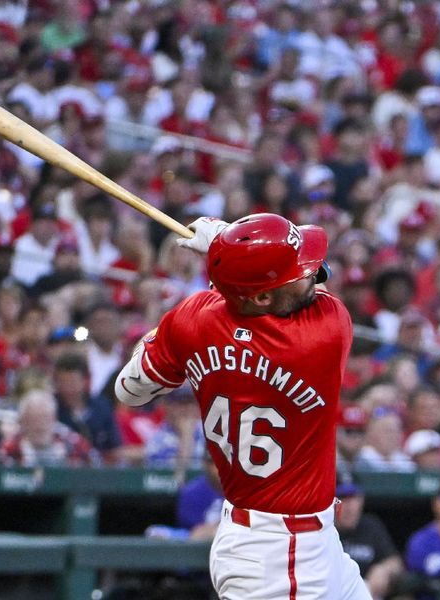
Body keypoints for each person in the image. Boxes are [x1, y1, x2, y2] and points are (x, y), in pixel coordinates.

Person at [115, 213, 371, 599]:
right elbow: (317, 292)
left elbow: (129, 390)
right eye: (299, 273)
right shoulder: (323, 334)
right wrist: (222, 237)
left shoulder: (191, 317)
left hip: (286, 541)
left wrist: (165, 329)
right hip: (279, 556)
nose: (315, 275)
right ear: (263, 296)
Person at [335, 477, 405, 600]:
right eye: (343, 498)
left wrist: (384, 569)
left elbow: (396, 562)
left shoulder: (371, 526)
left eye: (353, 498)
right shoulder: (325, 529)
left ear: (361, 500)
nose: (349, 506)